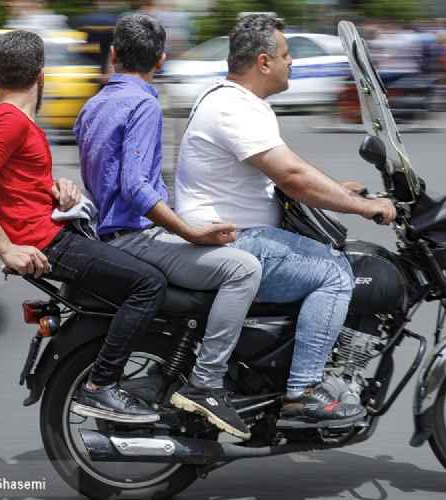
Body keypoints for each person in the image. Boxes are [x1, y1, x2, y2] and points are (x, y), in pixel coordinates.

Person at [174, 14, 397, 424]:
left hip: (237, 233)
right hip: (235, 240)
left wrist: (342, 191)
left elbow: (286, 169)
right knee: (334, 273)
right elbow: (292, 177)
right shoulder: (234, 107)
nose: (292, 62)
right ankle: (305, 390)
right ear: (263, 62)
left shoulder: (235, 101)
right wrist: (365, 208)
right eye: (286, 54)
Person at [0, 30, 167, 424]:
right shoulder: (9, 123)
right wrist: (7, 249)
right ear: (42, 75)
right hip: (47, 243)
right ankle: (101, 386)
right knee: (148, 284)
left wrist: (56, 192)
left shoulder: (3, 118)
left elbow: (12, 183)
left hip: (51, 230)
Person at [74, 13, 262, 440]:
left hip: (109, 234)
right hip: (134, 238)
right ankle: (207, 383)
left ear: (114, 54)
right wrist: (190, 233)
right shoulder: (142, 103)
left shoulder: (93, 105)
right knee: (243, 269)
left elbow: (105, 177)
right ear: (160, 59)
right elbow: (135, 186)